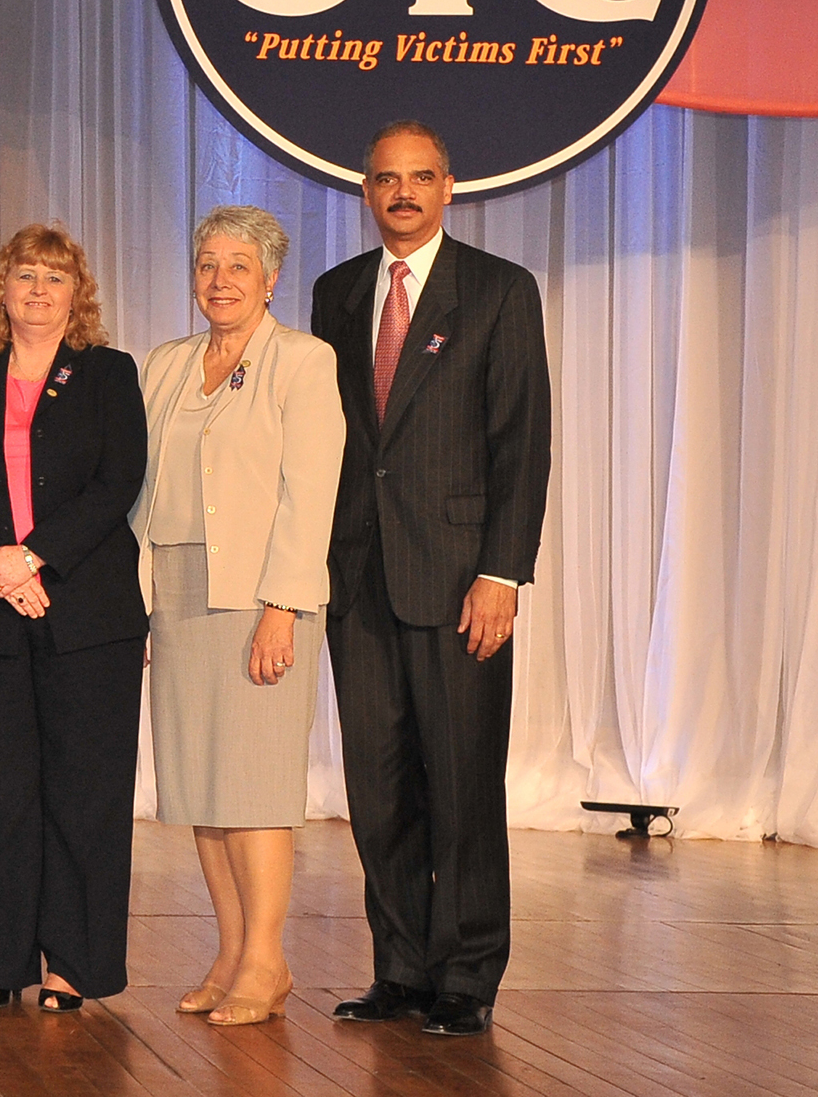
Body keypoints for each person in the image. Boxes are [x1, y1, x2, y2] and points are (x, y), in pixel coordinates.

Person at [310, 121, 552, 1037]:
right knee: (379, 791)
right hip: (359, 581)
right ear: (365, 192)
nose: (401, 193)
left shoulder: (497, 290)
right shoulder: (336, 294)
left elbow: (521, 443)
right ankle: (402, 970)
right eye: (385, 180)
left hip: (460, 585)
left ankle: (467, 977)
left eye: (420, 178)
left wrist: (502, 572)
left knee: (462, 786)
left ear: (451, 187)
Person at [0, 222, 148, 1014]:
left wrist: (35, 557)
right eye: (24, 277)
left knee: (85, 797)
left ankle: (73, 966)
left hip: (89, 616)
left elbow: (118, 482)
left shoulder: (109, 374)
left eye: (55, 278)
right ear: (1, 291)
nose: (39, 292)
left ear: (76, 293)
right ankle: (2, 961)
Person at [130, 206, 344, 1026]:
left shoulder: (303, 361)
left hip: (260, 595)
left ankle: (268, 959)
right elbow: (141, 492)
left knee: (253, 787)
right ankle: (229, 951)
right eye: (208, 264)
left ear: (270, 280)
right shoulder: (167, 364)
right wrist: (139, 600)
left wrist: (284, 605)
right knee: (200, 787)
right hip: (178, 589)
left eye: (238, 267)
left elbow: (311, 493)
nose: (220, 281)